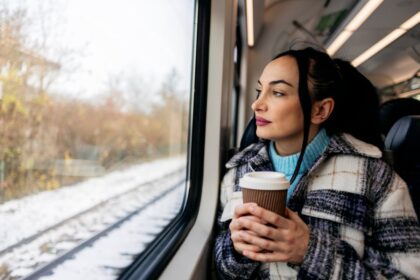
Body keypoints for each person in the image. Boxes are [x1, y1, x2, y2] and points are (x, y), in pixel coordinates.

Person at [214, 47, 420, 279]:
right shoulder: (238, 171)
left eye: (278, 92)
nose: (257, 105)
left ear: (320, 110)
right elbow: (223, 268)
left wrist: (310, 251)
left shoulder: (376, 177)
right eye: (259, 91)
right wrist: (236, 249)